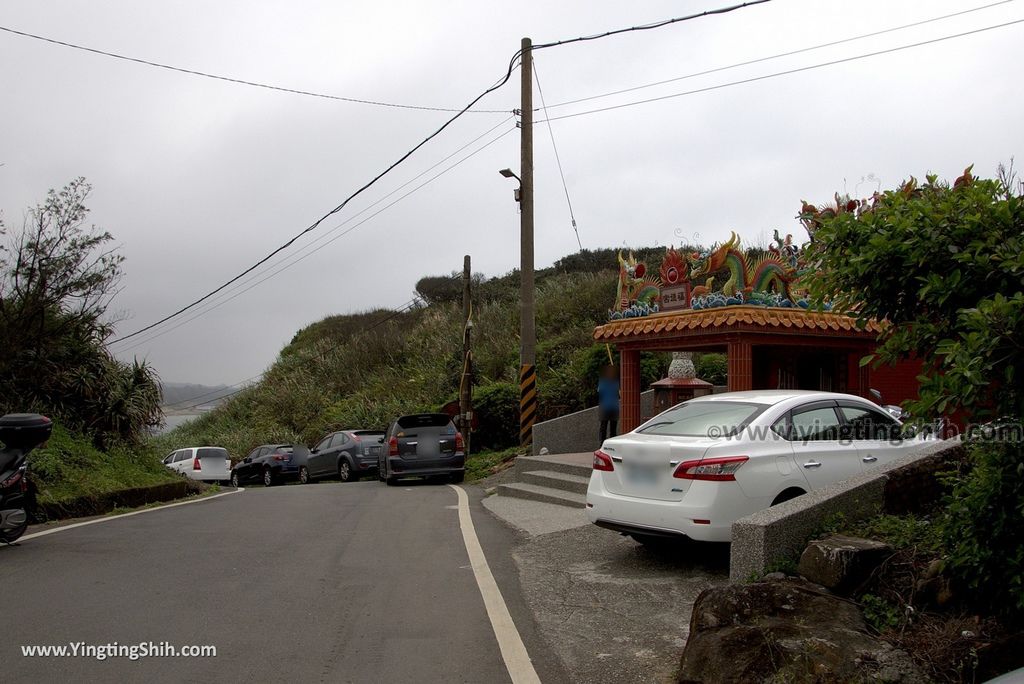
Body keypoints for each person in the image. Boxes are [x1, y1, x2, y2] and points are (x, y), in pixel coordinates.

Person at [597, 364, 620, 442]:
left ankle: (612, 444)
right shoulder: (603, 382)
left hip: (615, 407)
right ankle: (602, 444)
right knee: (603, 427)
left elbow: (618, 394)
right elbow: (600, 393)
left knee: (613, 429)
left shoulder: (616, 383)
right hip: (605, 407)